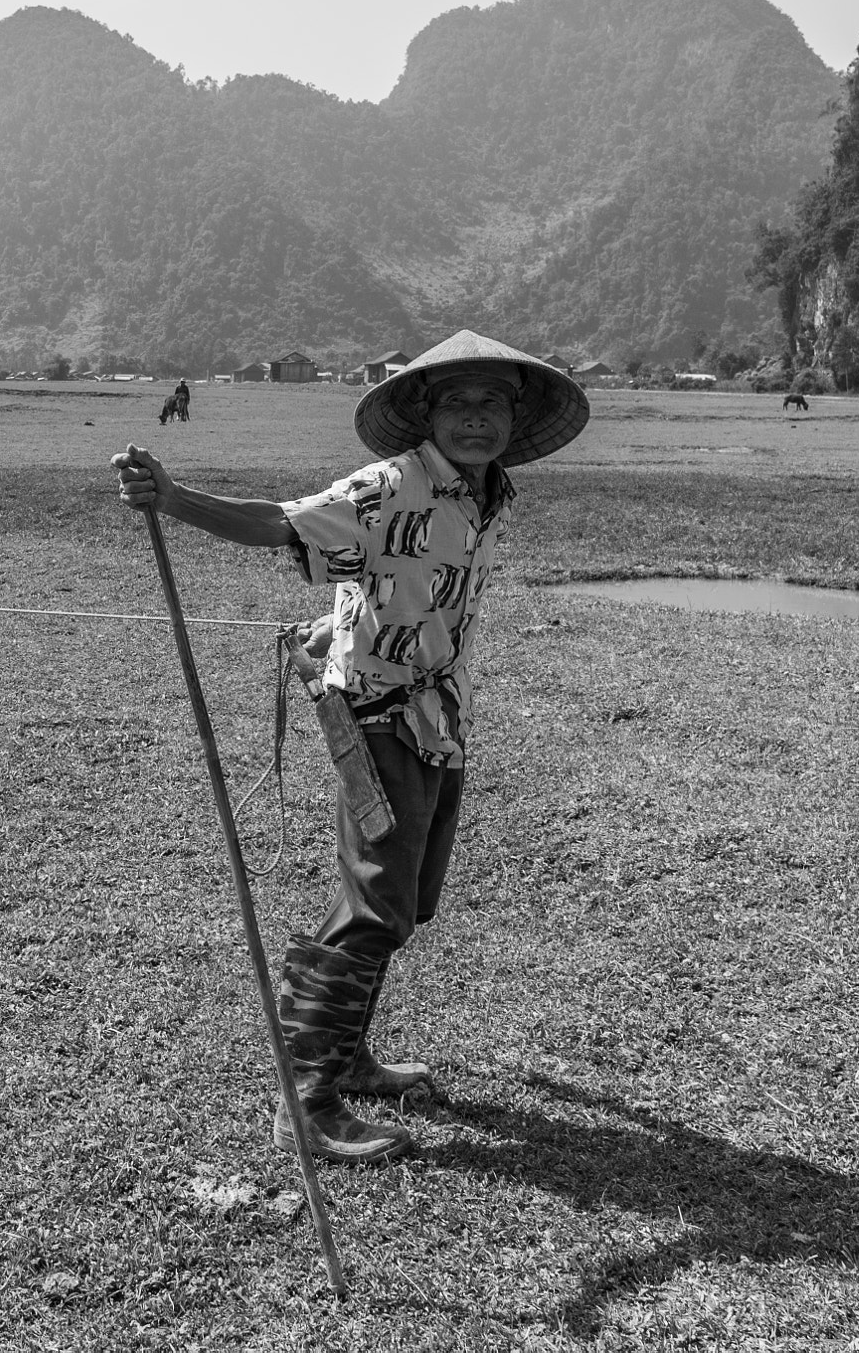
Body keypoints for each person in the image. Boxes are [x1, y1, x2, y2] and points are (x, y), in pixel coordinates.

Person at [111, 330, 589, 1165]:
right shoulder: (388, 486)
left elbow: (398, 591)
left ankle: (348, 1057)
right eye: (458, 403)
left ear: (516, 415)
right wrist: (175, 497)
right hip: (375, 716)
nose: (476, 419)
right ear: (425, 414)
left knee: (407, 902)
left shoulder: (487, 493)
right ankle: (307, 1097)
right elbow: (281, 524)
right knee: (376, 907)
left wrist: (345, 623)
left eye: (492, 403)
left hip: (441, 718)